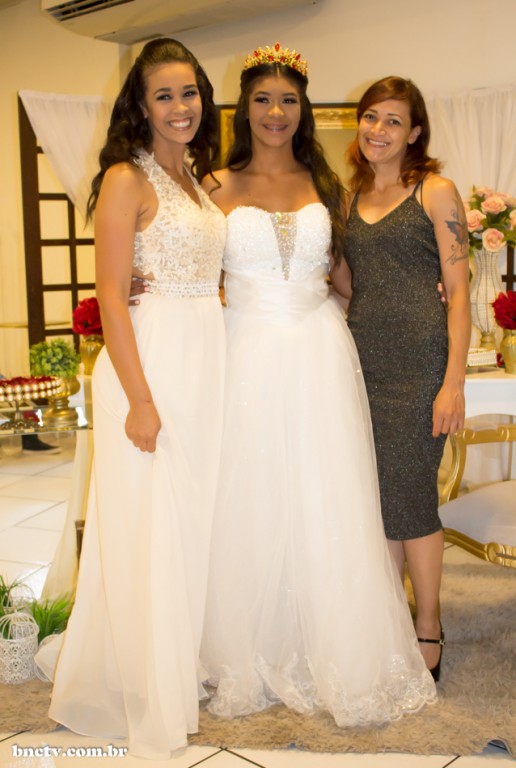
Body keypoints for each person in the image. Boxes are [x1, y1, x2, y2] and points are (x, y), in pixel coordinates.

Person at [199, 45, 437, 726]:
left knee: (326, 493)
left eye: (288, 100)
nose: (276, 112)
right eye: (263, 99)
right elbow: (186, 261)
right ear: (244, 109)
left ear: (302, 109)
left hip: (319, 349)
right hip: (245, 348)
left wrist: (421, 299)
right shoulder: (213, 185)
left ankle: (334, 640)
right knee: (250, 492)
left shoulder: (327, 183)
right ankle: (248, 644)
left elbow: (349, 276)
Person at [36, 38, 226, 759]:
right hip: (150, 363)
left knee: (187, 521)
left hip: (203, 358)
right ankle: (141, 687)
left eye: (189, 92)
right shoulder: (126, 177)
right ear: (140, 107)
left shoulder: (195, 178)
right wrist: (141, 402)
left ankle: (171, 665)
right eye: (164, 95)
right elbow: (112, 297)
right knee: (150, 521)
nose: (181, 107)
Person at [338, 76, 471, 680]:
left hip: (421, 364)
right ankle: (391, 621)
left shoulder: (435, 191)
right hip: (361, 361)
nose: (379, 129)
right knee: (379, 498)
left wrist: (453, 382)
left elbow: (460, 292)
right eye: (371, 117)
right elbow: (347, 283)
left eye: (393, 120)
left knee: (411, 496)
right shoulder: (349, 198)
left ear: (415, 132)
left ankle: (429, 623)